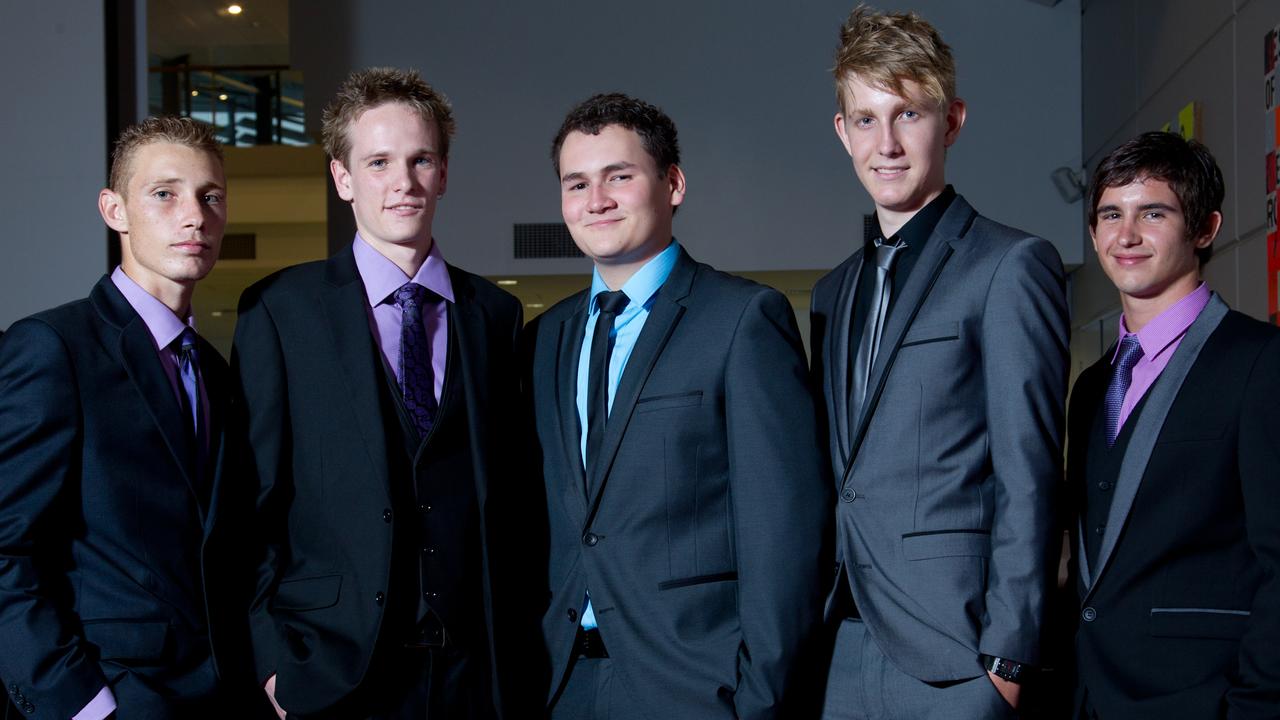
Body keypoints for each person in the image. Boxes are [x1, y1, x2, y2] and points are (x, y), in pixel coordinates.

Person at [524, 92, 830, 720]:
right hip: (560, 685)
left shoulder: (741, 320)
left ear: (673, 184)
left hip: (694, 687)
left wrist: (759, 700)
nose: (596, 200)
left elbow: (784, 531)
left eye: (620, 177)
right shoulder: (543, 339)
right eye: (576, 183)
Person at [232, 67, 525, 719]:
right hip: (332, 670)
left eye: (421, 160)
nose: (403, 182)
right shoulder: (282, 311)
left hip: (472, 673)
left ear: (444, 172)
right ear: (343, 179)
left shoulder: (495, 316)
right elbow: (250, 505)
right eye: (379, 162)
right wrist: (272, 660)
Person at [809, 6, 1070, 718]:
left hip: (956, 658)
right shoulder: (833, 293)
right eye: (865, 119)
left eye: (908, 115)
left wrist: (1008, 658)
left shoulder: (1010, 265)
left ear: (951, 120)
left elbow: (1031, 472)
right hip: (838, 648)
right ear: (842, 132)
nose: (886, 143)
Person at [0, 116, 260, 718]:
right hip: (108, 694)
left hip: (215, 697)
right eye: (164, 194)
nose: (194, 215)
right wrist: (81, 705)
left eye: (210, 197)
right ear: (114, 210)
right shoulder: (53, 347)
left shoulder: (218, 374)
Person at [1067, 131, 1280, 719]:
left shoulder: (1261, 362)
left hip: (1203, 699)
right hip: (1089, 697)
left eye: (1152, 213)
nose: (1126, 235)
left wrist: (1251, 708)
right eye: (1110, 214)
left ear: (1205, 229)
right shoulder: (1090, 388)